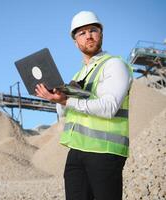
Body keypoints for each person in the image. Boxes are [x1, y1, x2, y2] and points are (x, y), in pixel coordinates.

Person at [35, 11, 132, 200]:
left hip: (105, 152)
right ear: (75, 41)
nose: (88, 36)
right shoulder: (79, 74)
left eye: (93, 30)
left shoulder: (114, 65)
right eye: (82, 33)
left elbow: (109, 107)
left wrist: (66, 100)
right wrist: (57, 99)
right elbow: (64, 114)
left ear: (101, 34)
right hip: (77, 152)